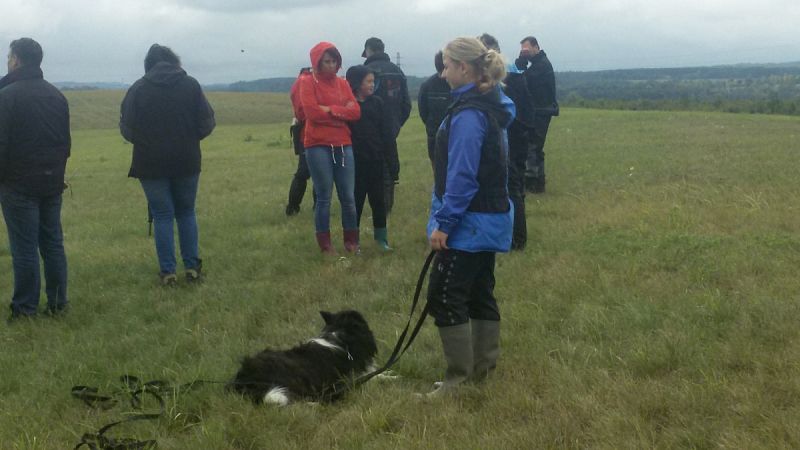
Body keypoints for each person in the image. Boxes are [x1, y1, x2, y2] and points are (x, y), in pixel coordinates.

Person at [425, 37, 515, 396]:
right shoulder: (491, 104)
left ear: (464, 68)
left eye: (447, 64)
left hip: (469, 223)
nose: (443, 72)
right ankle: (481, 372)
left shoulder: (469, 114)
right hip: (489, 219)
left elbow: (461, 177)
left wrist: (444, 224)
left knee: (446, 295)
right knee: (479, 292)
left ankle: (458, 382)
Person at [120, 44, 216, 285]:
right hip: (186, 159)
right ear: (175, 62)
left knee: (162, 214)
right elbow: (207, 122)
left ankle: (168, 272)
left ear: (148, 64)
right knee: (186, 212)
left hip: (150, 163)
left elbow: (126, 129)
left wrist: (146, 143)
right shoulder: (191, 85)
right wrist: (188, 139)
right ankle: (192, 267)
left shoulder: (138, 89)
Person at [0, 38, 71, 321]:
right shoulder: (57, 96)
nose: (7, 61)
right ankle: (57, 303)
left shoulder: (6, 96)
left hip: (18, 183)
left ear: (16, 60)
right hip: (52, 181)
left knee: (24, 247)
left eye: (8, 56)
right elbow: (65, 142)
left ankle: (25, 308)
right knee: (52, 242)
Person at [298, 42, 361, 254]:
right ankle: (325, 244)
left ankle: (351, 241)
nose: (331, 65)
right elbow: (312, 113)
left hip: (343, 143)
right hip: (317, 145)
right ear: (317, 62)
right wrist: (341, 111)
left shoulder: (343, 84)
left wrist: (331, 110)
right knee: (324, 195)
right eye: (327, 61)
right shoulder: (307, 82)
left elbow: (356, 113)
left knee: (348, 196)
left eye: (334, 61)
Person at [479, 33, 535, 250]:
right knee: (515, 186)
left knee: (511, 187)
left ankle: (516, 239)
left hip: (508, 138)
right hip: (519, 136)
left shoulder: (503, 77)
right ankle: (513, 236)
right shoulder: (516, 73)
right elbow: (529, 111)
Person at [345, 65, 394, 251]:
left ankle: (381, 239)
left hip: (376, 160)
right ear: (357, 84)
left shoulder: (378, 103)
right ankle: (353, 241)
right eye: (369, 81)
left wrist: (391, 162)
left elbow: (386, 134)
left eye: (374, 81)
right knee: (355, 202)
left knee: (378, 201)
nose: (373, 85)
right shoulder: (348, 106)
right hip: (354, 163)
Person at [361, 37, 411, 214]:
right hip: (391, 129)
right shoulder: (397, 71)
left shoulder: (366, 72)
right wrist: (396, 123)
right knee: (389, 167)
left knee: (369, 168)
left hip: (369, 130)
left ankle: (377, 208)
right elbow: (406, 104)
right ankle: (387, 207)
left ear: (369, 50)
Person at [516, 36, 558, 194]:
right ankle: (538, 184)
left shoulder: (541, 65)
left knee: (532, 147)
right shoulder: (539, 63)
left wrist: (521, 63)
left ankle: (532, 183)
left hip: (541, 112)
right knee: (536, 148)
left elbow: (524, 80)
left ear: (536, 47)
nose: (524, 52)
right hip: (542, 111)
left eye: (526, 50)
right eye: (522, 50)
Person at [285, 67, 313, 216]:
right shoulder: (306, 82)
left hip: (303, 133)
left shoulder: (298, 82)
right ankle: (294, 207)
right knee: (309, 172)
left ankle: (293, 206)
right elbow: (304, 110)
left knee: (304, 171)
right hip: (309, 132)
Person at [417, 51, 451, 168]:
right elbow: (423, 111)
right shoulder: (427, 85)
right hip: (435, 135)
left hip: (438, 134)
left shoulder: (457, 84)